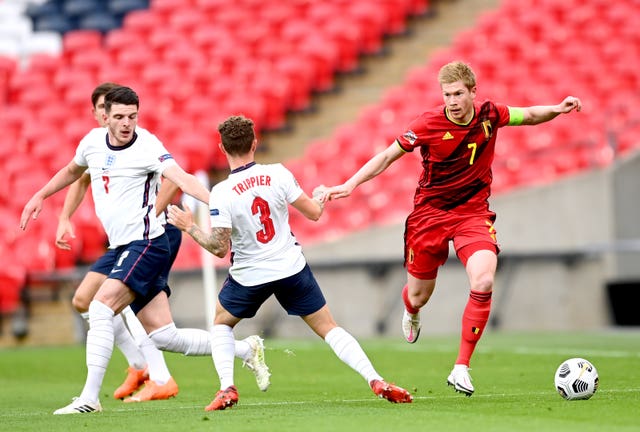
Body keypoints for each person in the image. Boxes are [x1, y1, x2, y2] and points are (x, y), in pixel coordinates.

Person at [320, 60, 582, 396]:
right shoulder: (428, 123)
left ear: (473, 92)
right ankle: (412, 310)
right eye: (447, 94)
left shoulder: (491, 114)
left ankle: (461, 367)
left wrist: (557, 109)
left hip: (473, 213)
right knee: (418, 295)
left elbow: (529, 115)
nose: (452, 101)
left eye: (458, 93)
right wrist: (349, 184)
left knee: (484, 279)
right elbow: (387, 156)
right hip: (429, 215)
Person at [19, 87, 269, 415]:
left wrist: (216, 202)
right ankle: (245, 349)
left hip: (147, 244)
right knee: (165, 336)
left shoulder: (148, 145)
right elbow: (72, 172)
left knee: (100, 306)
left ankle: (90, 398)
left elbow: (181, 178)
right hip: (124, 246)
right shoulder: (92, 143)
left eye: (132, 116)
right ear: (105, 115)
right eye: (120, 117)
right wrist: (41, 195)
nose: (126, 123)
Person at [167, 115, 413, 411]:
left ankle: (226, 388)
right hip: (289, 266)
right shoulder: (278, 174)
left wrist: (189, 227)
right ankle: (375, 379)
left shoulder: (222, 192)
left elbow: (219, 248)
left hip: (250, 274)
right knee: (329, 328)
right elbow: (313, 213)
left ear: (222, 148)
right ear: (255, 143)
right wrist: (321, 196)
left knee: (221, 322)